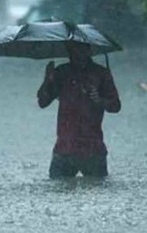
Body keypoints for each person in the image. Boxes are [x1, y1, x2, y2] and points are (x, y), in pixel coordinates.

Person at [37, 41, 121, 179]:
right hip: (65, 147)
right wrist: (48, 79)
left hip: (92, 147)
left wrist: (100, 101)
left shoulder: (100, 73)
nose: (76, 54)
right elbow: (43, 102)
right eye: (72, 51)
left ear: (88, 50)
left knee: (97, 189)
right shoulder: (61, 72)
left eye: (81, 50)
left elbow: (116, 105)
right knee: (58, 189)